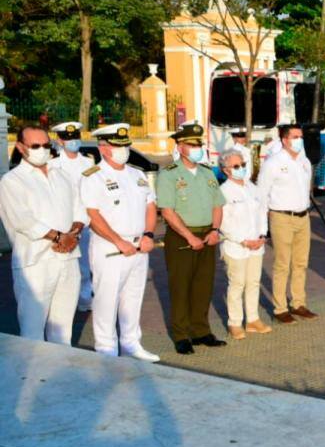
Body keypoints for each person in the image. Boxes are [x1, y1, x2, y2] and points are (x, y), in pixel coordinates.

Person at [78, 124, 159, 361]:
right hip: (110, 248)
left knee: (133, 297)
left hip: (139, 245)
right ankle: (105, 349)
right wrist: (118, 241)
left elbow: (150, 206)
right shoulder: (93, 177)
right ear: (103, 148)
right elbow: (92, 215)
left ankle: (131, 344)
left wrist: (149, 235)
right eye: (117, 146)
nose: (124, 150)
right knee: (107, 299)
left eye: (126, 146)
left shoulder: (137, 174)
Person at [0, 126, 84, 345]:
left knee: (63, 328)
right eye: (35, 146)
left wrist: (73, 234)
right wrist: (59, 237)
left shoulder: (62, 175)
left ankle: (60, 376)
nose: (42, 150)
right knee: (32, 330)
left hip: (68, 257)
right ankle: (33, 377)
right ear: (20, 147)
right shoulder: (12, 181)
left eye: (46, 145)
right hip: (35, 263)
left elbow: (79, 209)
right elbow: (22, 219)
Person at [156, 123, 227, 355]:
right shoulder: (169, 174)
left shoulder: (207, 173)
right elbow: (167, 210)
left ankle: (200, 331)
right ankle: (181, 334)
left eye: (199, 144)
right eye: (193, 144)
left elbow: (218, 204)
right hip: (181, 237)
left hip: (208, 235)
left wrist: (215, 230)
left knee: (203, 285)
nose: (198, 148)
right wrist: (189, 236)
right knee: (181, 286)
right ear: (180, 146)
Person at [256, 123, 317, 325]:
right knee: (282, 264)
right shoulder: (273, 162)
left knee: (301, 263)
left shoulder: (304, 161)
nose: (299, 139)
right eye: (295, 136)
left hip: (303, 216)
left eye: (300, 136)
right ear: (284, 140)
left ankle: (298, 303)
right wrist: (261, 227)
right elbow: (262, 194)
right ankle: (280, 307)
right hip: (281, 216)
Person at [217, 148, 270, 340]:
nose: (241, 169)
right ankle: (235, 322)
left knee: (254, 282)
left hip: (257, 244)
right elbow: (224, 221)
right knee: (237, 284)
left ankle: (253, 319)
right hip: (237, 246)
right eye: (236, 166)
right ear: (226, 170)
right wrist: (243, 240)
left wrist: (263, 235)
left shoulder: (252, 188)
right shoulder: (223, 191)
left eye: (243, 165)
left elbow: (262, 212)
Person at [49, 121, 94, 310]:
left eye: (75, 137)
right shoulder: (52, 164)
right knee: (63, 264)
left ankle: (85, 300)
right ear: (59, 140)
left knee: (86, 263)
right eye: (68, 138)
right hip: (61, 220)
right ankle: (64, 300)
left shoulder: (89, 162)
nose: (72, 141)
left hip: (86, 220)